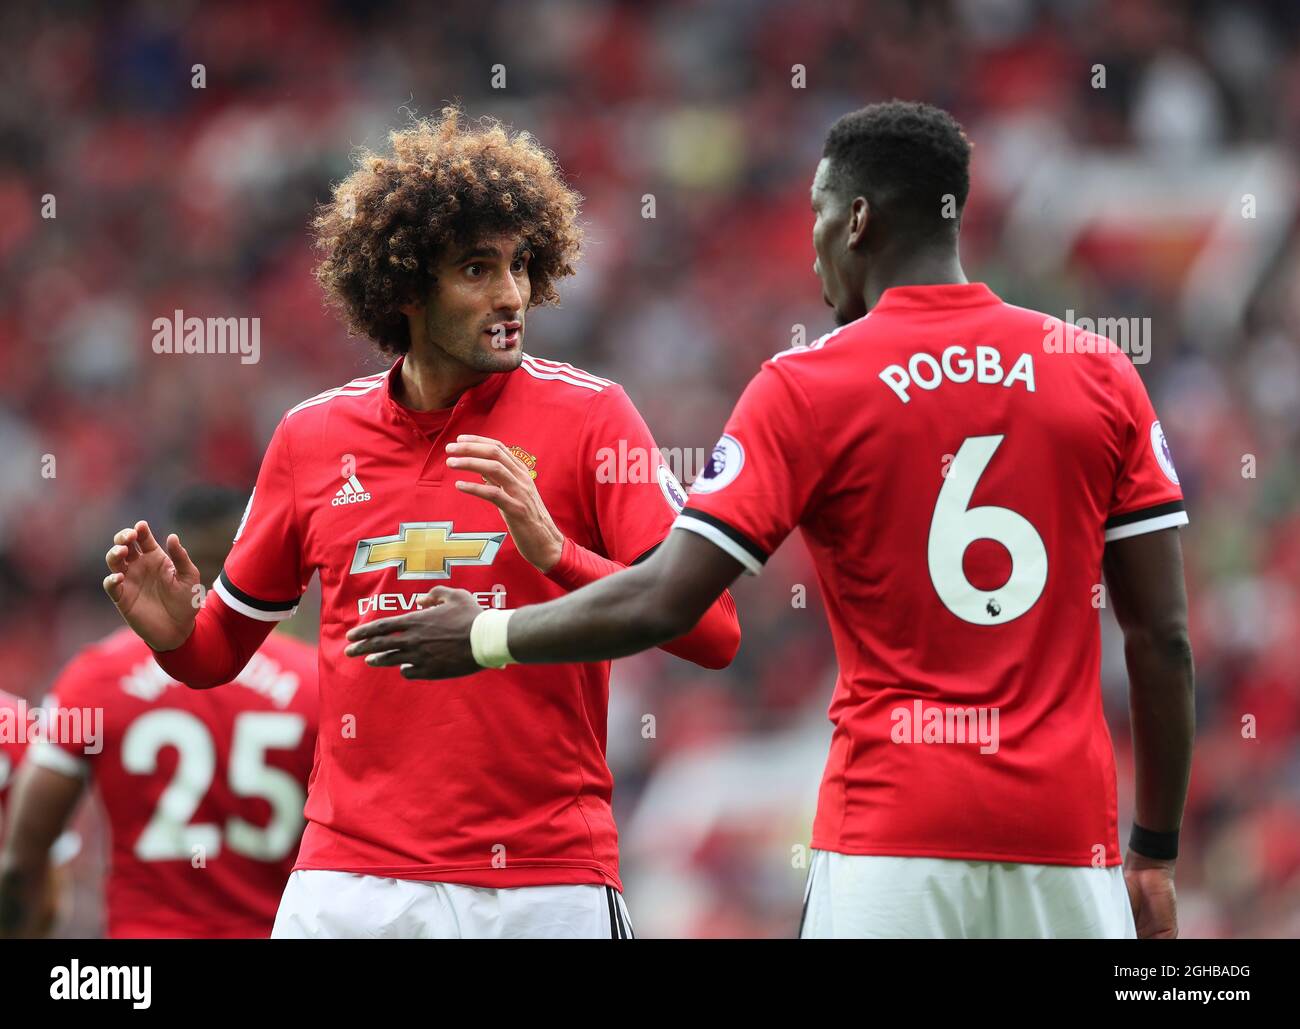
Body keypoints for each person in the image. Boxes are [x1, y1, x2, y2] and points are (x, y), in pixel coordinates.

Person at [347, 101, 1195, 940]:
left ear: (856, 219)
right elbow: (1163, 639)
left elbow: (673, 599)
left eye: (819, 216)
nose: (814, 246)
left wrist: (487, 634)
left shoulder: (809, 385)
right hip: (1063, 837)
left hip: (890, 834)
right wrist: (1153, 852)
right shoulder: (1095, 369)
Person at [103, 108, 740, 940]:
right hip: (348, 883)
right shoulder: (310, 438)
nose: (511, 295)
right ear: (403, 289)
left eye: (518, 266)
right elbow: (217, 651)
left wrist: (558, 554)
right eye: (477, 269)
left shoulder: (595, 419)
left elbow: (713, 632)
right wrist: (174, 635)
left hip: (543, 881)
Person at [2, 485, 318, 938]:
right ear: (257, 556)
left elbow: (21, 864)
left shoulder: (96, 678)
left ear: (174, 551)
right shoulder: (313, 681)